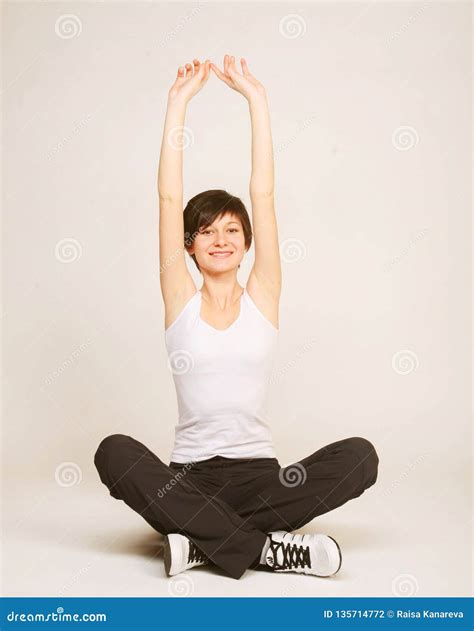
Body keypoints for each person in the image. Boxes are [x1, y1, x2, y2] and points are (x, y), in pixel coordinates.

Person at [94, 55, 379, 581]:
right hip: (188, 480)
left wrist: (257, 100)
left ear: (247, 244)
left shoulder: (263, 296)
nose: (220, 239)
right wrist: (177, 103)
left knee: (361, 456)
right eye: (206, 231)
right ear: (190, 246)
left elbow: (264, 197)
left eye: (231, 230)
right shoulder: (178, 295)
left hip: (264, 480)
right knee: (113, 453)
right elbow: (167, 198)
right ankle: (266, 549)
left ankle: (204, 543)